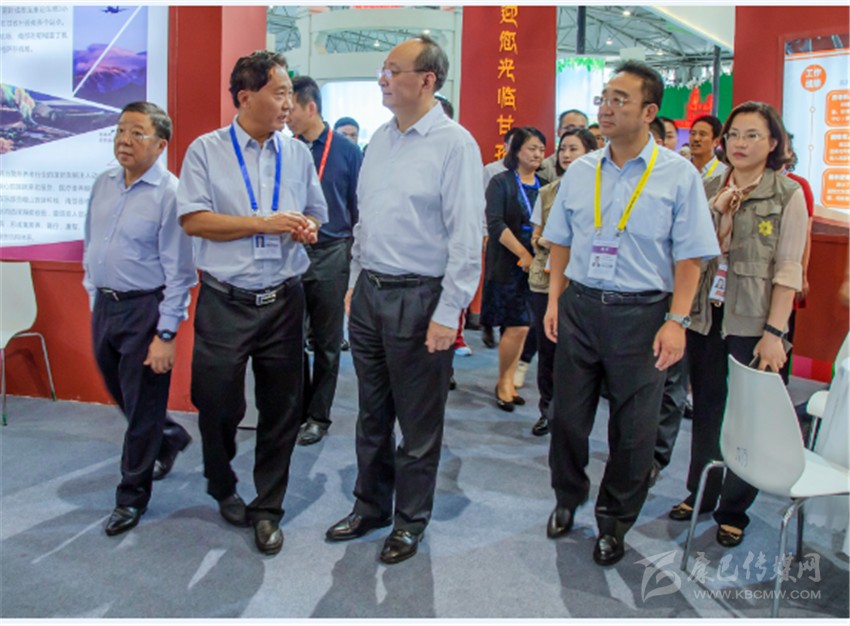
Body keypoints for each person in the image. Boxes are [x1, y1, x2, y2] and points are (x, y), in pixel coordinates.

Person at [542, 60, 720, 566]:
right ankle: (567, 495)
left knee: (634, 429)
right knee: (567, 417)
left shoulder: (678, 175)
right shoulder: (581, 171)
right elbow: (560, 242)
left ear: (648, 112)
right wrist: (555, 300)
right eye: (604, 97)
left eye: (620, 99)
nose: (606, 107)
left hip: (643, 314)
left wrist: (677, 321)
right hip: (580, 306)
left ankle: (614, 521)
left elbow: (691, 257)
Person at [324, 35, 484, 565]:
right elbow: (367, 220)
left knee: (418, 423)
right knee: (371, 414)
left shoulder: (454, 144)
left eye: (393, 70)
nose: (383, 78)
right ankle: (370, 505)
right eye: (383, 69)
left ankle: (410, 520)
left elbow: (467, 238)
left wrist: (449, 312)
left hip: (422, 298)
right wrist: (354, 281)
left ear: (427, 80)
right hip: (371, 292)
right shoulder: (380, 138)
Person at [177, 50, 328, 555]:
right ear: (246, 97)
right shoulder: (205, 150)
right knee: (217, 403)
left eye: (290, 94)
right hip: (226, 301)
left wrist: (306, 228)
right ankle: (221, 483)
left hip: (284, 300)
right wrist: (262, 223)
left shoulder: (298, 154)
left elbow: (316, 212)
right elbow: (194, 220)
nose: (289, 103)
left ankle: (268, 508)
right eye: (280, 93)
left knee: (282, 409)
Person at [670, 102, 807, 548]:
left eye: (752, 135)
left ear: (773, 143)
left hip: (754, 323)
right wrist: (715, 210)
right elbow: (689, 250)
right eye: (733, 135)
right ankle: (701, 491)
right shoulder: (708, 186)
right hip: (706, 316)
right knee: (707, 409)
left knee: (748, 417)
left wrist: (775, 333)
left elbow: (788, 269)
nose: (740, 144)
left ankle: (734, 509)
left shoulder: (786, 194)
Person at [83, 101, 196, 537]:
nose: (124, 140)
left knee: (143, 406)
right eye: (120, 131)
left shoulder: (170, 194)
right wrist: (94, 295)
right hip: (105, 306)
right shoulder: (104, 183)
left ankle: (130, 497)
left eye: (136, 133)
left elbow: (180, 272)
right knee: (125, 395)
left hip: (145, 309)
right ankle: (169, 437)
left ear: (160, 144)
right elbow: (92, 243)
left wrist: (165, 332)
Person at [287, 76, 363, 446]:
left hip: (332, 252)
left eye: (291, 108)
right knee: (290, 337)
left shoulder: (347, 152)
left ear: (311, 107)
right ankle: (297, 410)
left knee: (327, 342)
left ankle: (319, 416)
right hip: (291, 250)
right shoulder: (287, 150)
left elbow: (357, 208)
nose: (286, 115)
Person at [528, 127, 597, 436]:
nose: (567, 155)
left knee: (579, 354)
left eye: (574, 149)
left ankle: (572, 414)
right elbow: (535, 236)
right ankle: (548, 409)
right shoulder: (548, 192)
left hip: (584, 282)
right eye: (563, 149)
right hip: (547, 279)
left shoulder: (602, 190)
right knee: (548, 349)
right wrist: (549, 241)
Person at [481, 126, 547, 412]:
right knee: (517, 325)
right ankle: (504, 382)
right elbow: (495, 223)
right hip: (508, 263)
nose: (538, 154)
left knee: (524, 326)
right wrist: (522, 254)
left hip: (538, 264)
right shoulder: (501, 181)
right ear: (516, 150)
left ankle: (506, 380)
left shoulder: (546, 185)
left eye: (542, 149)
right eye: (532, 148)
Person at [538, 109, 588, 181]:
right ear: (559, 132)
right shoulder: (546, 167)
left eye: (582, 129)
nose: (576, 132)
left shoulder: (596, 163)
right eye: (570, 128)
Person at [689, 114, 727, 180]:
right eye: (693, 133)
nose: (696, 138)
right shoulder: (681, 168)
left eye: (702, 134)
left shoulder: (724, 173)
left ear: (716, 142)